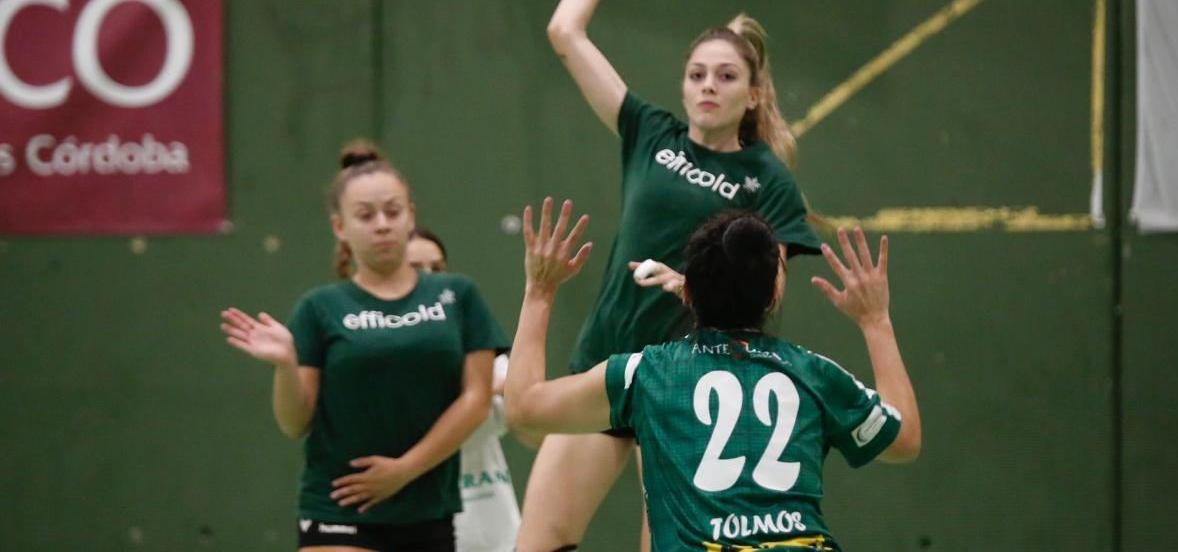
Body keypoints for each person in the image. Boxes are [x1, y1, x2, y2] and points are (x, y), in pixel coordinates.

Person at [522, 0, 824, 551]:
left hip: (687, 388)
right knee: (538, 542)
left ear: (752, 94)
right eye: (696, 73)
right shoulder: (649, 134)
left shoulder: (765, 179)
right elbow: (564, 34)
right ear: (683, 84)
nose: (708, 85)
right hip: (606, 364)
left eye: (725, 75)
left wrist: (690, 285)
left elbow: (767, 295)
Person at [506, 198, 920, 551]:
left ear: (686, 292)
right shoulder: (814, 373)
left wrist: (539, 292)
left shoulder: (645, 373)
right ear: (773, 295)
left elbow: (523, 407)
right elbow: (904, 441)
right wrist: (876, 320)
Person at [220, 140, 510, 552]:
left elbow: (476, 399)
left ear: (411, 216)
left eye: (393, 212)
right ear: (340, 227)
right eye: (365, 215)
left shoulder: (458, 296)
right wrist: (286, 365)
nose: (381, 224)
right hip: (338, 508)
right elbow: (294, 422)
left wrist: (403, 470)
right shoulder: (318, 308)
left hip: (429, 510)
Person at [407, 226, 531, 552]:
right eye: (415, 270)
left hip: (501, 538)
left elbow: (526, 411)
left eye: (437, 268)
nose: (430, 279)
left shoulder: (475, 343)